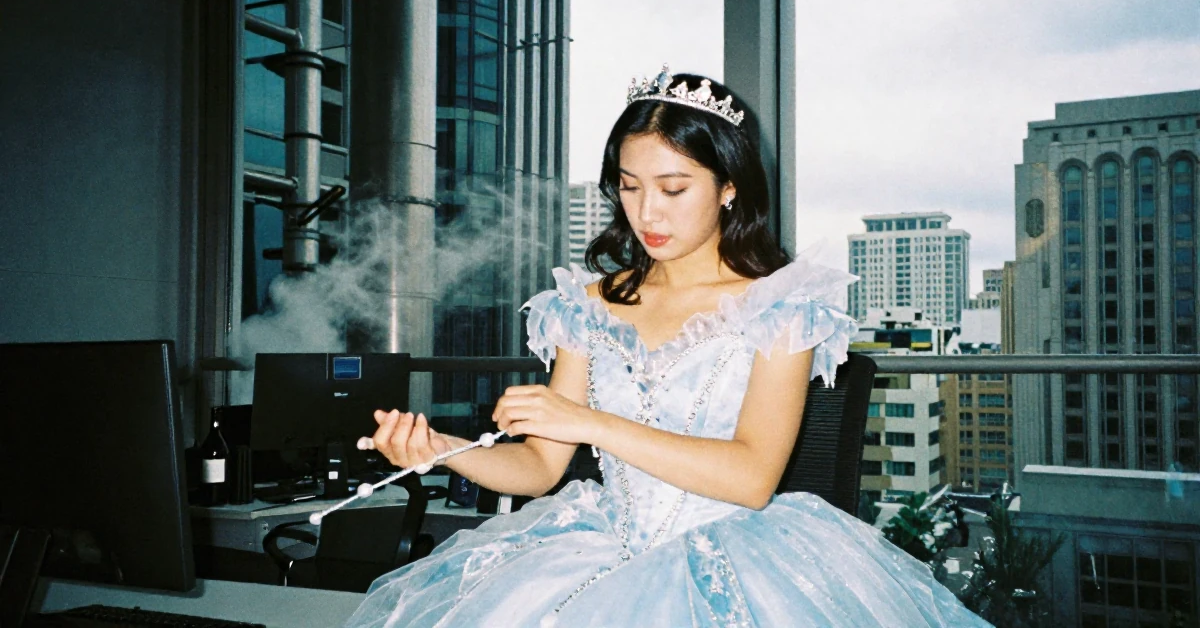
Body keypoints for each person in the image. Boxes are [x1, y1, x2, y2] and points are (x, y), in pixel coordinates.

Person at [345, 66, 991, 627]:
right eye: (629, 186)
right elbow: (542, 467)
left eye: (673, 188)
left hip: (739, 562)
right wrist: (443, 451)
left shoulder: (782, 308)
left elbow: (752, 477)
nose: (646, 213)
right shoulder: (588, 304)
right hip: (595, 548)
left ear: (728, 185)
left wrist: (589, 421)